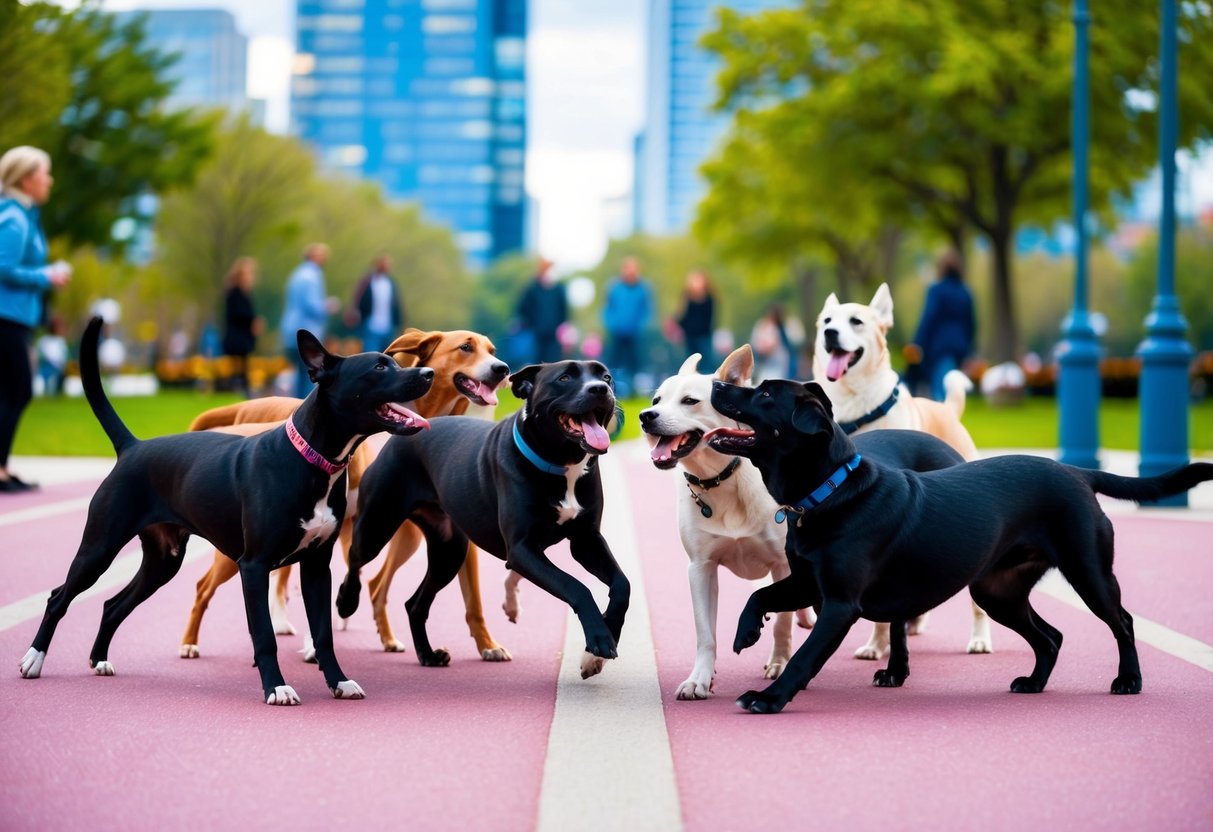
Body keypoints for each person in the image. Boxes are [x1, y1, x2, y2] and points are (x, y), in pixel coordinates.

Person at [0, 146, 71, 492]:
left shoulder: (22, 215)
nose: (50, 180)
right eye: (45, 173)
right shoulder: (14, 219)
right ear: (27, 179)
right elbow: (2, 267)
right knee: (18, 390)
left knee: (10, 391)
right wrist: (46, 275)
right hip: (5, 318)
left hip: (14, 318)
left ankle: (2, 466)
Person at [909, 249, 976, 402]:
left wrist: (917, 343)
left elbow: (928, 318)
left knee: (941, 389)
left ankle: (943, 420)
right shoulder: (965, 292)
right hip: (960, 347)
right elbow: (971, 323)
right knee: (951, 384)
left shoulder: (936, 290)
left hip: (938, 347)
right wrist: (970, 350)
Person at [280, 242, 337, 399]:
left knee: (300, 371)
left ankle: (294, 405)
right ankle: (303, 407)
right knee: (309, 372)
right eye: (322, 255)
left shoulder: (297, 273)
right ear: (314, 256)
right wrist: (329, 306)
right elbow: (312, 306)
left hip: (291, 329)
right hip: (307, 331)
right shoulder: (312, 275)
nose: (325, 259)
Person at [601, 256, 654, 396]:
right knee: (613, 362)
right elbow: (607, 308)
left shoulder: (643, 288)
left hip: (635, 333)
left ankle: (633, 390)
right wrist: (612, 324)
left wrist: (640, 326)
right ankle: (612, 389)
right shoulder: (614, 287)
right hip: (617, 333)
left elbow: (646, 310)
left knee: (634, 363)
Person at [345, 254, 404, 353]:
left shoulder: (391, 283)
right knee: (371, 356)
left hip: (388, 327)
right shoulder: (367, 282)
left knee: (387, 357)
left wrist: (399, 323)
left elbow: (396, 305)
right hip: (370, 326)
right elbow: (358, 301)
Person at [221, 256, 262, 397]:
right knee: (239, 367)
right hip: (237, 337)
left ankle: (244, 390)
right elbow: (238, 314)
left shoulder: (246, 293)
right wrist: (252, 321)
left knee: (244, 366)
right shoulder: (235, 292)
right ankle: (238, 390)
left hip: (243, 337)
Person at [516, 256, 567, 363]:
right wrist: (530, 323)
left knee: (553, 360)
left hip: (554, 333)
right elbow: (522, 308)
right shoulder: (532, 288)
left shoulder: (559, 289)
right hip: (536, 333)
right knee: (536, 360)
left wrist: (562, 326)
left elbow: (563, 310)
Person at [751, 303, 804, 382]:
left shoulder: (789, 323)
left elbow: (797, 341)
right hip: (766, 363)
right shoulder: (764, 325)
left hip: (785, 361)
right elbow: (756, 344)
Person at [676, 269, 716, 366]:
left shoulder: (709, 298)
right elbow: (683, 315)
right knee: (690, 362)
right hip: (689, 336)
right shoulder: (687, 297)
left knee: (705, 363)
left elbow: (710, 318)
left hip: (704, 336)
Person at [36, 313, 68, 396]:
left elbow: (63, 360)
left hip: (57, 371)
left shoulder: (60, 342)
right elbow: (40, 357)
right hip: (44, 369)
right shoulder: (43, 340)